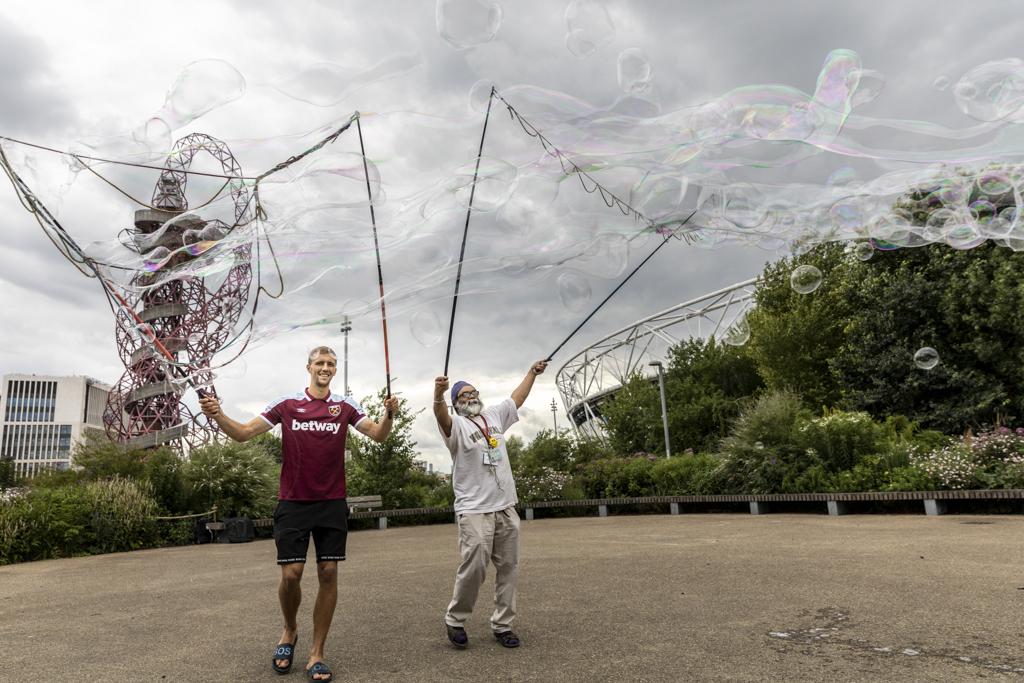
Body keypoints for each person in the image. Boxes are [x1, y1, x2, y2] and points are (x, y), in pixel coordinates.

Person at [200, 345, 398, 682]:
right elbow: (243, 434)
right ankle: (289, 630)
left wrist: (389, 415)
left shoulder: (345, 406)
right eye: (320, 362)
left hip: (331, 502)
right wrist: (217, 415)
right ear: (308, 367)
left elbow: (379, 435)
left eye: (331, 364)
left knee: (328, 572)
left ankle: (317, 653)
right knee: (291, 575)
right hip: (293, 503)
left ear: (335, 370)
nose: (325, 367)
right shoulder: (288, 404)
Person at [432, 360, 548, 650]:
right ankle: (456, 619)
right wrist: (438, 395)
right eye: (463, 396)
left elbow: (516, 399)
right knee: (475, 565)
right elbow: (440, 415)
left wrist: (531, 373)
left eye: (473, 393)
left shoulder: (493, 415)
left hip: (505, 505)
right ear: (456, 403)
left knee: (509, 567)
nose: (470, 397)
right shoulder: (455, 425)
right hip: (474, 509)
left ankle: (503, 624)